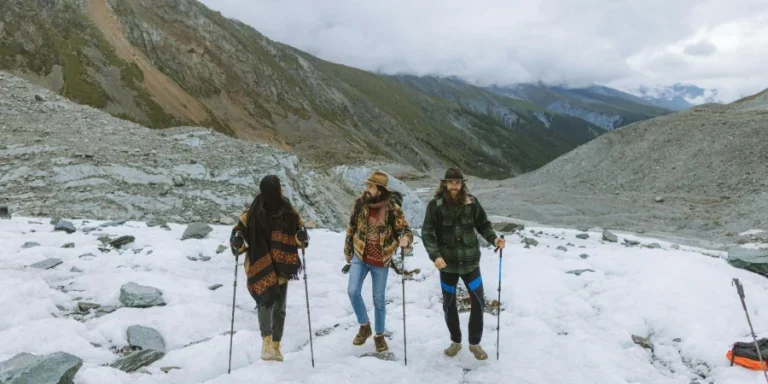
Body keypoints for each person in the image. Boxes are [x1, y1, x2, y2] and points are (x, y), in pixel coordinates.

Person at [421, 168, 505, 360]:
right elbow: (427, 232)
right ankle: (456, 341)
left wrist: (494, 240)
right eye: (451, 182)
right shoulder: (435, 206)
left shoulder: (472, 203)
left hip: (471, 263)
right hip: (447, 265)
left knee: (478, 301)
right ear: (444, 184)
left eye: (457, 183)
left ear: (462, 184)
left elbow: (483, 224)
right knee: (449, 304)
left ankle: (475, 344)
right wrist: (435, 256)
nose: (454, 186)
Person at [230, 175, 310, 362]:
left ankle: (276, 344)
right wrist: (237, 241)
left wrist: (302, 236)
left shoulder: (288, 211)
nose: (280, 192)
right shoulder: (251, 213)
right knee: (265, 303)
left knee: (279, 308)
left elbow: (299, 231)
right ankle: (266, 343)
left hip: (281, 264)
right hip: (261, 264)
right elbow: (238, 232)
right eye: (277, 189)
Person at [344, 170, 413, 353]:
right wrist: (348, 250)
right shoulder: (360, 203)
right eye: (367, 185)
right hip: (360, 254)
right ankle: (364, 325)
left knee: (378, 299)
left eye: (371, 186)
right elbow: (351, 226)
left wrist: (405, 239)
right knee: (352, 291)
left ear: (380, 189)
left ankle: (379, 335)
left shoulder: (392, 208)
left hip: (381, 260)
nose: (367, 189)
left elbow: (404, 229)